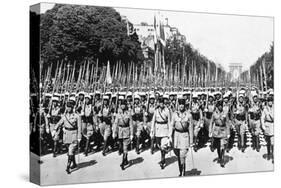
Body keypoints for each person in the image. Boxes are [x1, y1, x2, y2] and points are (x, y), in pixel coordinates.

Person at [54, 100, 82, 174]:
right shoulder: (64, 116)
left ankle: (68, 167)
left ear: (73, 107)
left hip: (73, 134)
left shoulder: (77, 116)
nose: (68, 108)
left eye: (70, 107)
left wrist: (79, 136)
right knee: (70, 151)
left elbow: (79, 127)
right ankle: (75, 163)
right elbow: (60, 123)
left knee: (71, 150)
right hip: (66, 135)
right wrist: (55, 129)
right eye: (67, 107)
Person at [170, 96, 193, 176]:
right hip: (176, 136)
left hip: (184, 136)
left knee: (182, 156)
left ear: (185, 105)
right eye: (180, 104)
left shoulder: (189, 115)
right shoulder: (174, 114)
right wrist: (170, 136)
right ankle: (180, 171)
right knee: (178, 156)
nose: (181, 106)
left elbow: (190, 128)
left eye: (183, 104)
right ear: (178, 105)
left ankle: (183, 173)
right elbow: (171, 125)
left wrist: (191, 141)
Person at [113, 98, 133, 170]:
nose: (123, 106)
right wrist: (114, 132)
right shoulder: (118, 114)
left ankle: (123, 162)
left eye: (124, 105)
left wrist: (131, 134)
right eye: (122, 105)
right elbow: (115, 123)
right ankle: (126, 159)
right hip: (120, 131)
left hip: (126, 131)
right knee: (121, 146)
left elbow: (131, 124)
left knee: (125, 147)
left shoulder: (129, 113)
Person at [151, 97, 171, 169]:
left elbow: (169, 122)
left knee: (163, 146)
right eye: (160, 103)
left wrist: (170, 133)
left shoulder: (167, 111)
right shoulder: (156, 111)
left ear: (164, 103)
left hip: (165, 129)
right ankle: (164, 151)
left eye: (162, 103)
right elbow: (153, 121)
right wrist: (152, 131)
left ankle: (163, 160)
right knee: (159, 145)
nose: (161, 104)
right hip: (158, 129)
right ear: (159, 103)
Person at [209, 100, 230, 167]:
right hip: (216, 131)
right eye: (219, 106)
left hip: (223, 130)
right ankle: (219, 156)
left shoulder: (225, 113)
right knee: (218, 147)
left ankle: (222, 160)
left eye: (221, 106)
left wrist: (228, 132)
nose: (220, 107)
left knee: (223, 146)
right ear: (217, 106)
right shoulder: (214, 113)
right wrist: (210, 131)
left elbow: (227, 123)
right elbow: (211, 123)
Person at [261, 94, 274, 163]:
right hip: (267, 126)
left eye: (271, 101)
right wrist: (263, 125)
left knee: (273, 143)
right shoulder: (265, 109)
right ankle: (269, 153)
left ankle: (274, 156)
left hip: (273, 125)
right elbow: (262, 118)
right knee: (268, 142)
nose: (270, 102)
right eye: (269, 101)